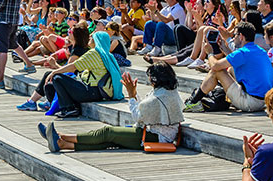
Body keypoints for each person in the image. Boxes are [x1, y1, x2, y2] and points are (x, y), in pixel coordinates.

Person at [43, 62, 182, 151]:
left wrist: (131, 96)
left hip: (156, 136)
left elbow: (138, 118)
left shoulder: (159, 97)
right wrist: (134, 95)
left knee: (108, 132)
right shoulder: (168, 92)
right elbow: (146, 112)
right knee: (109, 140)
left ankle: (62, 136)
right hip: (157, 133)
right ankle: (63, 144)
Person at [185, 22, 273, 113]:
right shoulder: (259, 50)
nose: (233, 38)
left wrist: (209, 53)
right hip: (263, 101)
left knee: (217, 71)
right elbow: (236, 60)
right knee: (231, 69)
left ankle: (193, 101)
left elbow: (215, 66)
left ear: (241, 36)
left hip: (250, 103)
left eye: (235, 35)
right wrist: (224, 47)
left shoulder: (242, 53)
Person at [40, 31, 124, 118]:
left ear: (97, 41)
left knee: (57, 78)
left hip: (92, 91)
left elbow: (73, 66)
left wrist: (54, 71)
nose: (90, 38)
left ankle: (69, 108)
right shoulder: (108, 55)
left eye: (92, 38)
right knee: (58, 80)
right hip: (99, 91)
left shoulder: (95, 53)